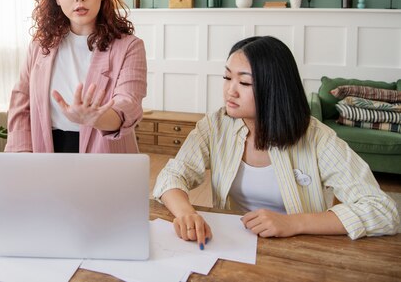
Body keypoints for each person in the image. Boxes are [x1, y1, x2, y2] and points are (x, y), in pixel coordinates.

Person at [153, 36, 399, 249]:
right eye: (227, 78)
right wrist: (186, 213)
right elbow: (172, 176)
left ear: (275, 88)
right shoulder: (216, 125)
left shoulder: (316, 138)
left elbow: (383, 210)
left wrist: (294, 222)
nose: (231, 91)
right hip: (232, 244)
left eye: (245, 82)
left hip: (302, 250)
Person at [5, 0, 147, 153]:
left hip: (106, 154)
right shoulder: (39, 46)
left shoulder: (129, 47)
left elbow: (128, 105)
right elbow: (21, 105)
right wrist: (22, 157)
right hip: (47, 151)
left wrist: (95, 118)